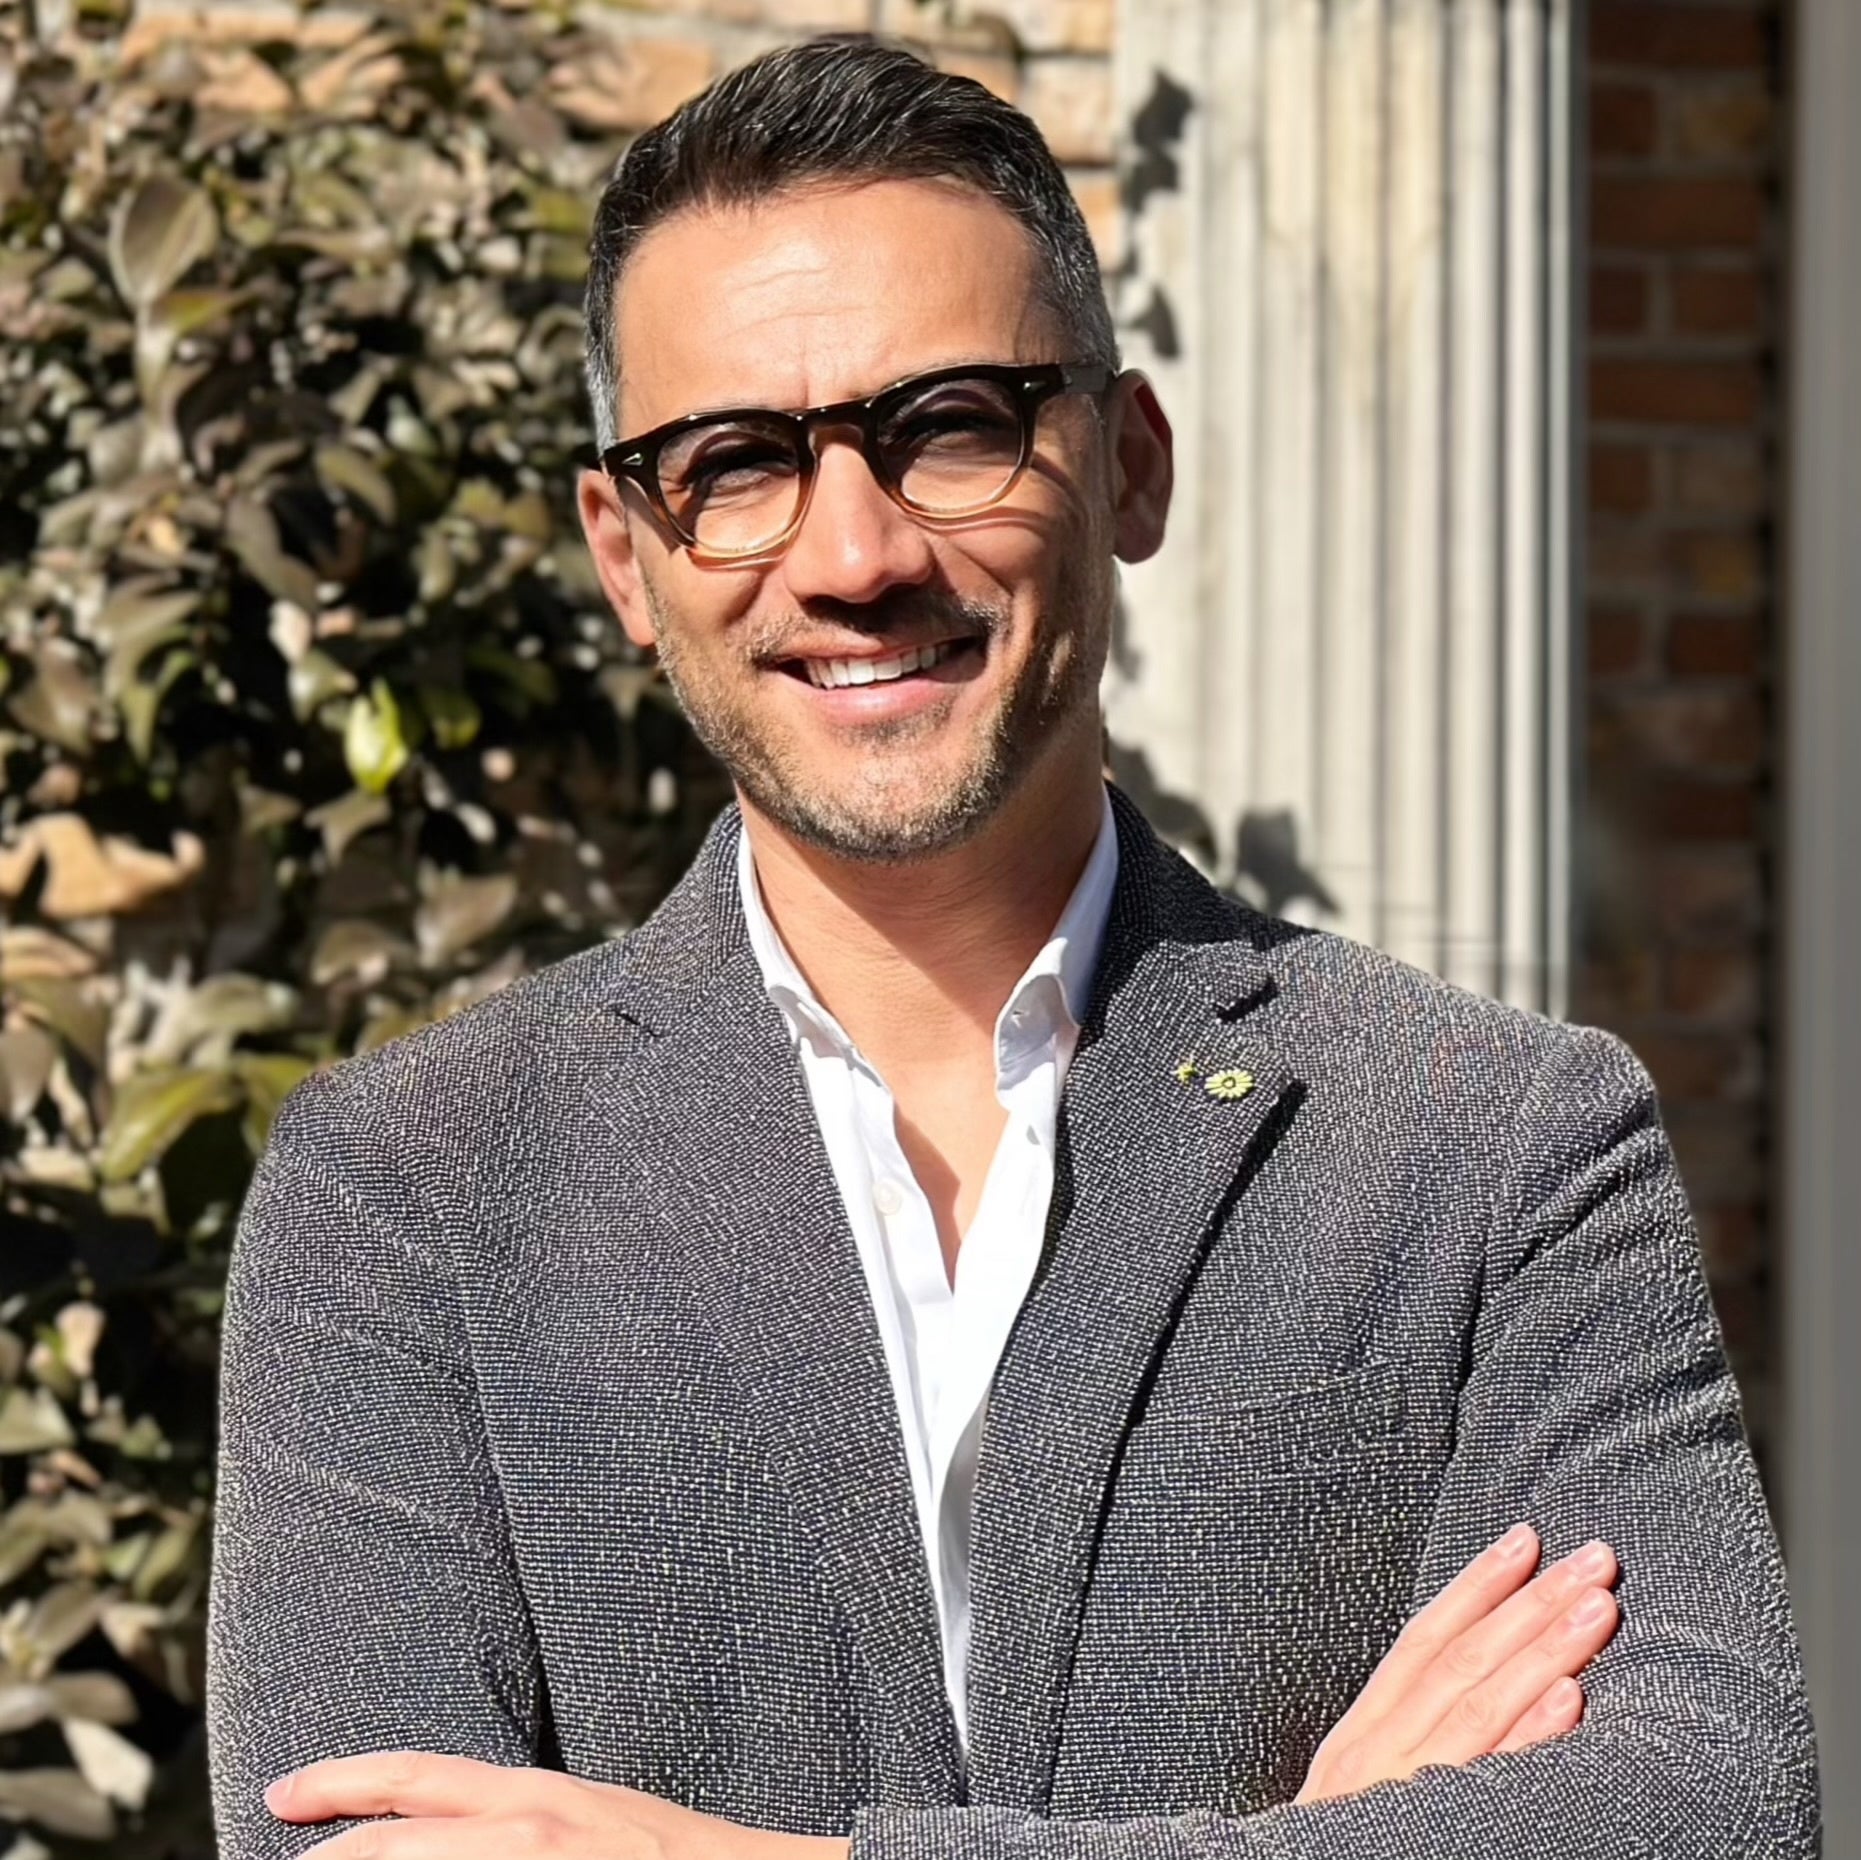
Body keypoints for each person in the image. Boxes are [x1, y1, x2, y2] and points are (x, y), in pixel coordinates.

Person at [204, 34, 1819, 1860]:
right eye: (731, 464)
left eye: (952, 426)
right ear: (626, 556)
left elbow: (1707, 1813)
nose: (853, 555)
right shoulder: (407, 1197)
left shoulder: (1493, 1142)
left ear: (1129, 466)